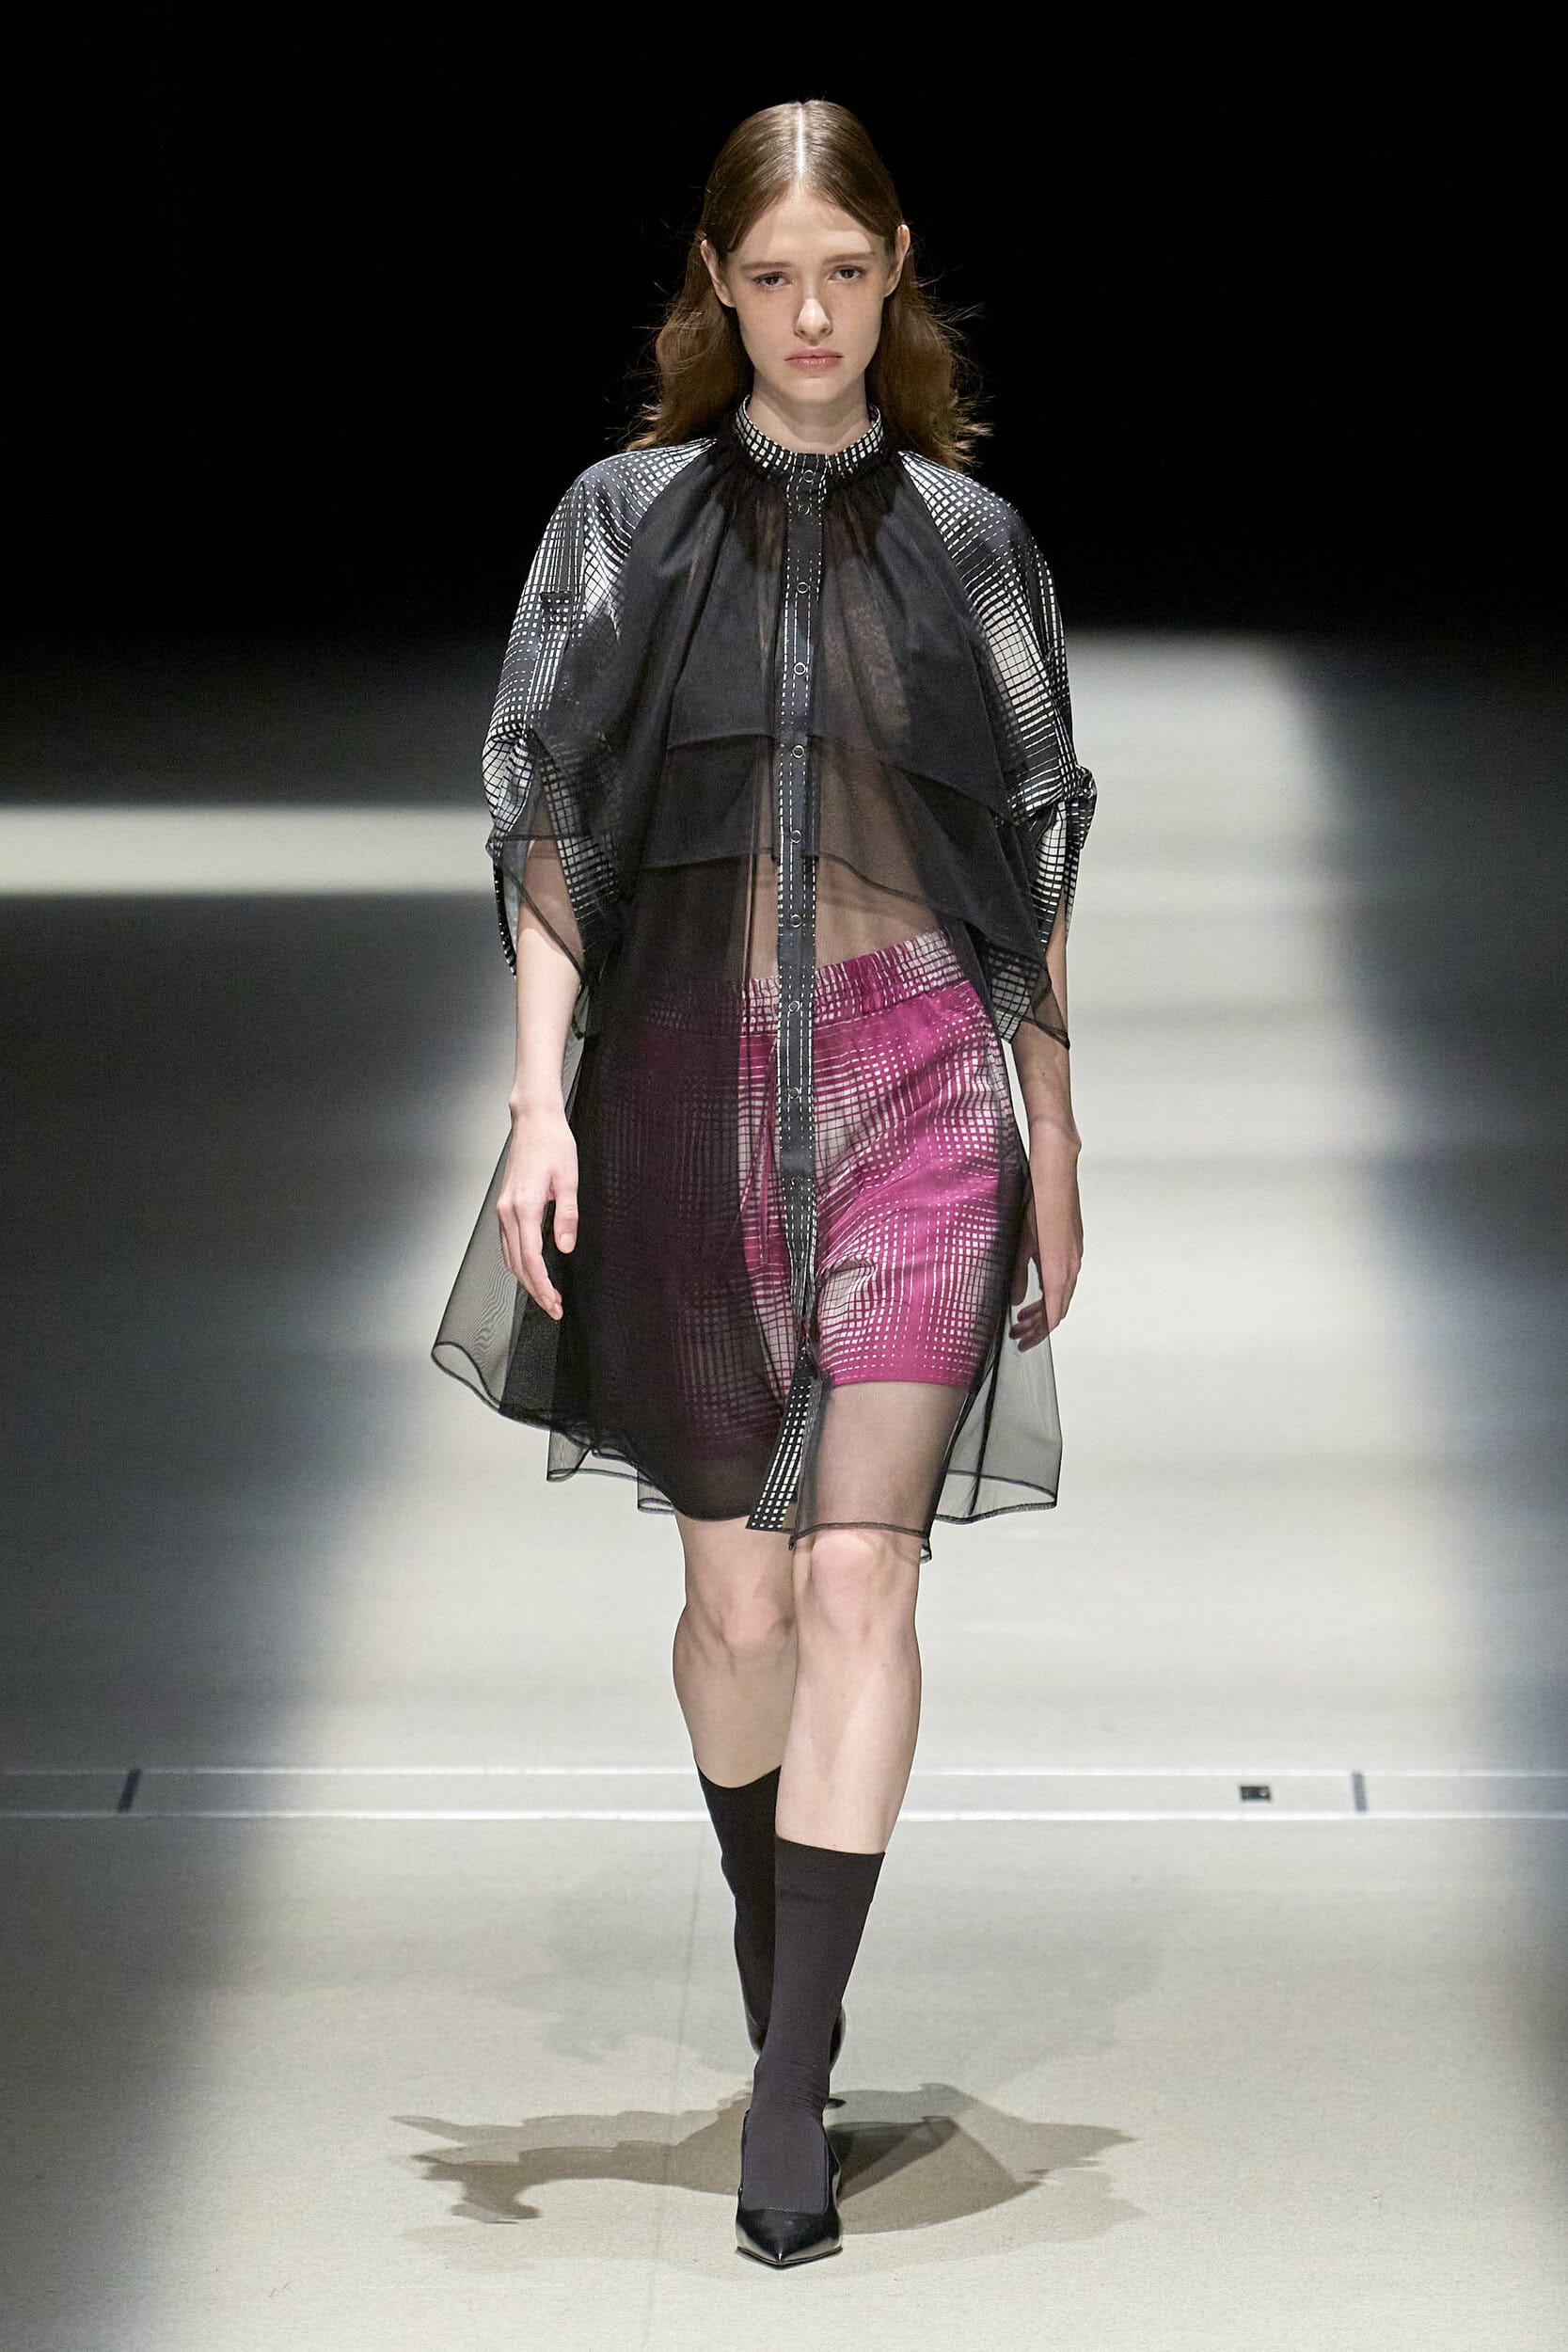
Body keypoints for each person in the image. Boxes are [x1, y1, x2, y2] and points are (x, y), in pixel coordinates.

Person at [431, 97, 1096, 2266]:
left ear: (894, 274)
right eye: (774, 276)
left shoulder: (975, 544)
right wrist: (537, 1100)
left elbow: (1034, 837)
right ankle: (771, 1927)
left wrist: (1055, 1123)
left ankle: (792, 2078)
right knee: (738, 1605)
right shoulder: (619, 525)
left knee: (861, 1580)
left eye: (846, 271)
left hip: (923, 1088)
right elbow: (547, 812)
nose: (812, 314)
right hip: (685, 1089)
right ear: (720, 289)